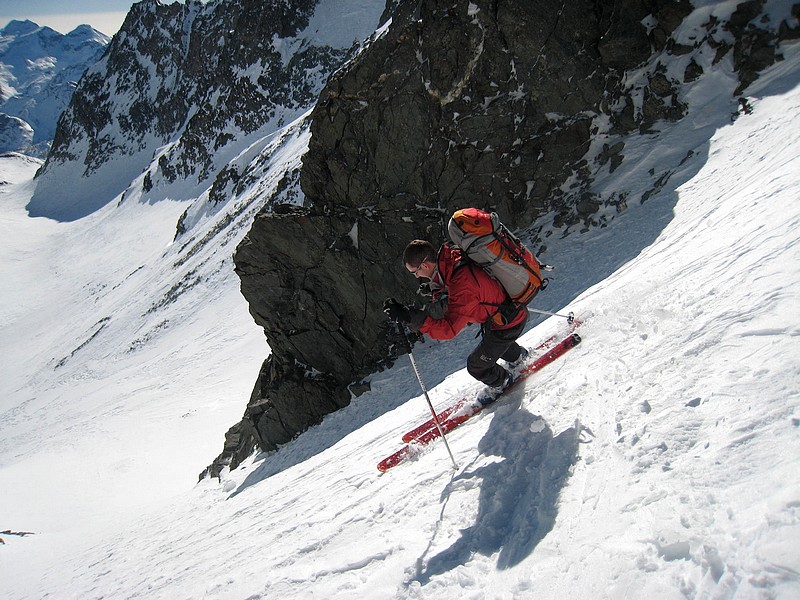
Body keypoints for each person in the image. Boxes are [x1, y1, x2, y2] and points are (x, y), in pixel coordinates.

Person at [383, 239, 529, 404]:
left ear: (424, 266)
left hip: (506, 322)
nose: (416, 276)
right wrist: (434, 287)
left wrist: (410, 317)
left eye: (414, 272)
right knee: (492, 342)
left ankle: (503, 381)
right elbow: (456, 280)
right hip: (506, 312)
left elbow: (448, 330)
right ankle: (519, 357)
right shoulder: (452, 257)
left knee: (476, 366)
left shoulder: (462, 285)